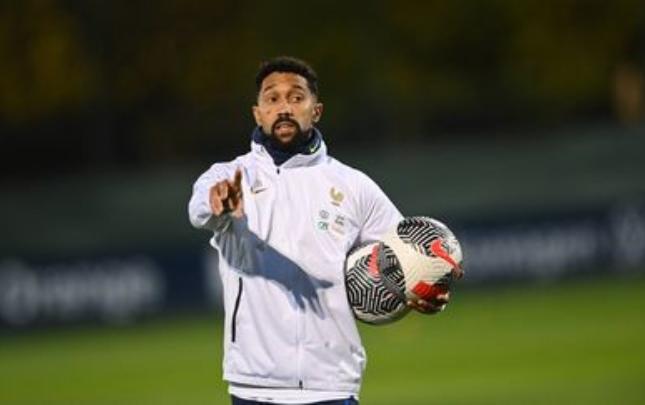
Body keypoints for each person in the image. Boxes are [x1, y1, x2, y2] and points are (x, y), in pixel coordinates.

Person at [188, 56, 449, 405]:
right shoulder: (231, 176)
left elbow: (403, 251)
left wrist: (423, 285)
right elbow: (198, 210)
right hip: (255, 384)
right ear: (258, 113)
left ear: (316, 110)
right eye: (272, 98)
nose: (284, 107)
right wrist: (217, 201)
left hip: (331, 382)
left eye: (296, 97)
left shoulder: (353, 185)